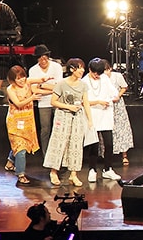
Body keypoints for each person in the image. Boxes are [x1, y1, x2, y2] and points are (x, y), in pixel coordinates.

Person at [44, 58, 94, 187]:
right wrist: (68, 107)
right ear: (72, 69)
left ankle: (73, 174)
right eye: (79, 68)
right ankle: (53, 172)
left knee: (76, 145)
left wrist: (90, 120)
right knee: (59, 143)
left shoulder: (83, 85)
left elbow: (86, 103)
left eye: (83, 68)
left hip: (77, 116)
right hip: (63, 116)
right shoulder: (62, 84)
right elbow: (53, 102)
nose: (82, 70)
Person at [83, 58, 121, 183]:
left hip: (105, 114)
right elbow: (84, 101)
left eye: (99, 73)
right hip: (92, 115)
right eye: (95, 73)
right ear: (90, 70)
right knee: (93, 144)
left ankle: (108, 169)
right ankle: (92, 169)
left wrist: (111, 99)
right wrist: (98, 101)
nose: (97, 76)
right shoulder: (84, 82)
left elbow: (114, 93)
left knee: (109, 143)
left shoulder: (104, 78)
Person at [4, 65, 43, 186]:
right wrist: (32, 98)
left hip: (28, 121)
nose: (22, 80)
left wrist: (46, 79)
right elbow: (18, 104)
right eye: (18, 78)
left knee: (21, 144)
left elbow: (40, 80)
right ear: (13, 79)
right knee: (21, 149)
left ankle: (10, 162)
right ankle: (20, 174)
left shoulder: (28, 82)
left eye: (23, 77)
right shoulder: (10, 89)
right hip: (15, 122)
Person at [28, 44, 63, 157]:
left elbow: (59, 86)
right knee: (45, 129)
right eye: (40, 58)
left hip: (57, 100)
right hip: (43, 102)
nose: (43, 60)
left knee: (59, 127)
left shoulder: (56, 67)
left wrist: (42, 85)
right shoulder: (33, 70)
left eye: (45, 57)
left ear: (48, 56)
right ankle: (46, 155)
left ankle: (59, 154)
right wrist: (51, 89)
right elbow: (34, 90)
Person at [104, 61, 134, 166]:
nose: (105, 73)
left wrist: (118, 95)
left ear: (110, 69)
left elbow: (124, 87)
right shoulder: (100, 78)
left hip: (117, 106)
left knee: (121, 129)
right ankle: (106, 155)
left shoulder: (117, 76)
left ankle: (124, 155)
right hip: (105, 106)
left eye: (107, 70)